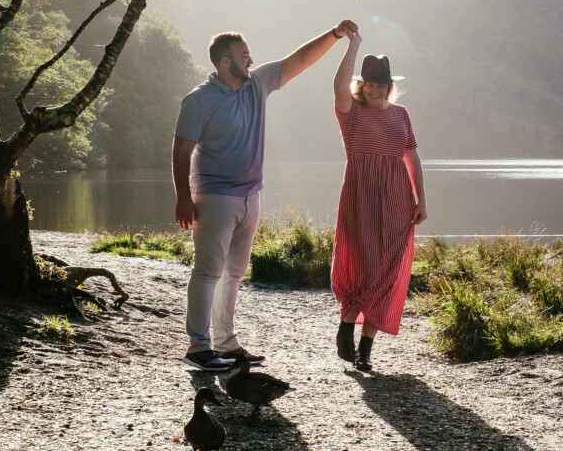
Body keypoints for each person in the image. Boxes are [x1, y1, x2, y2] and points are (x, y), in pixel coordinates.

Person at [173, 21, 359, 372]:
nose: (251, 61)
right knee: (208, 270)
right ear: (224, 63)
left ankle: (226, 344)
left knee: (234, 273)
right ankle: (198, 347)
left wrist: (334, 35)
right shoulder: (199, 101)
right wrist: (183, 197)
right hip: (213, 196)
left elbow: (299, 60)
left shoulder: (256, 84)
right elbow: (181, 151)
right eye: (243, 57)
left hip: (250, 195)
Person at [330, 36, 427, 372]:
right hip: (360, 200)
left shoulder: (401, 114)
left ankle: (365, 350)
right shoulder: (351, 113)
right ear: (362, 85)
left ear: (388, 86)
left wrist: (421, 197)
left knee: (388, 271)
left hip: (397, 201)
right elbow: (338, 85)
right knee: (360, 266)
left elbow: (411, 155)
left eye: (381, 84)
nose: (375, 89)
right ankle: (345, 326)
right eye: (369, 83)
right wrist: (352, 44)